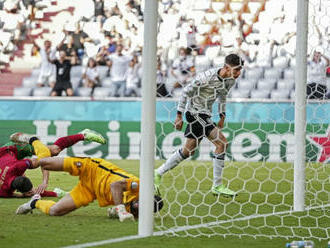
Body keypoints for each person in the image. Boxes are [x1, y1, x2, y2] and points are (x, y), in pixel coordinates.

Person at [154, 54, 244, 196]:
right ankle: (217, 186)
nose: (239, 73)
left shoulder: (230, 81)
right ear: (226, 67)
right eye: (237, 70)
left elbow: (222, 96)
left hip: (205, 114)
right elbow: (185, 92)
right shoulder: (206, 77)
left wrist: (222, 115)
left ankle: (158, 173)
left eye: (240, 70)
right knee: (221, 143)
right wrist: (179, 115)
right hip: (195, 113)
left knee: (188, 151)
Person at [16, 147, 163, 222]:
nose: (138, 208)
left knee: (56, 211)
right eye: (141, 204)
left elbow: (112, 212)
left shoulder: (135, 211)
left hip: (90, 191)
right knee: (44, 162)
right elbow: (115, 186)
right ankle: (32, 142)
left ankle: (35, 203)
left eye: (142, 209)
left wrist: (116, 212)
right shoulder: (138, 186)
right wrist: (120, 210)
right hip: (91, 168)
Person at [0, 129, 106, 198]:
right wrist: (28, 194)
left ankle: (83, 135)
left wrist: (44, 181)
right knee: (53, 151)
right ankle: (59, 193)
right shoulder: (4, 191)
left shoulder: (17, 167)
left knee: (53, 151)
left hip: (13, 149)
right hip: (7, 162)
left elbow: (44, 160)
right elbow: (16, 194)